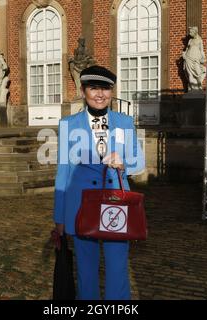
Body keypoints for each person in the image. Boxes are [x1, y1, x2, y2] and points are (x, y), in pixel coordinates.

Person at [53, 65, 145, 300]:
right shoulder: (67, 124)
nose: (100, 94)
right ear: (83, 90)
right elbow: (63, 172)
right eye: (94, 88)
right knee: (86, 269)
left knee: (117, 268)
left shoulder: (124, 121)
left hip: (117, 205)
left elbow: (139, 161)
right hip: (81, 206)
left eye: (106, 88)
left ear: (112, 92)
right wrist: (60, 218)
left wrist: (124, 161)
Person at [182, 26, 206, 91]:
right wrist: (184, 54)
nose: (190, 33)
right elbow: (186, 49)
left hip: (196, 59)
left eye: (191, 32)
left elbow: (201, 50)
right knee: (190, 74)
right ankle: (192, 89)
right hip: (188, 58)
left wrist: (203, 57)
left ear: (195, 32)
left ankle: (199, 86)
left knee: (198, 73)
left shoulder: (199, 40)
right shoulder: (190, 40)